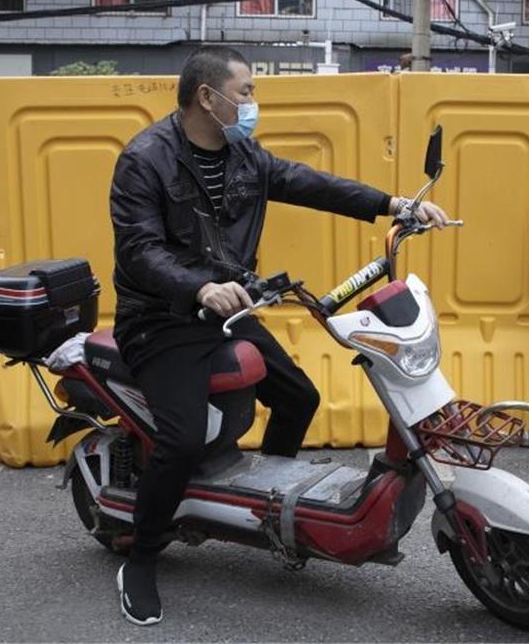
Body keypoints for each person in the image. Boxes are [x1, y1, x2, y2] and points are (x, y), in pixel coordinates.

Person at [109, 46, 449, 625]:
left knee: (300, 396)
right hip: (160, 319)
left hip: (227, 311)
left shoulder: (242, 151)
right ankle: (141, 560)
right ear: (207, 98)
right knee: (183, 439)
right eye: (245, 93)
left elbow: (305, 182)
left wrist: (391, 204)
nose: (252, 104)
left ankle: (260, 514)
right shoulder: (145, 160)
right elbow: (140, 250)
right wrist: (198, 288)